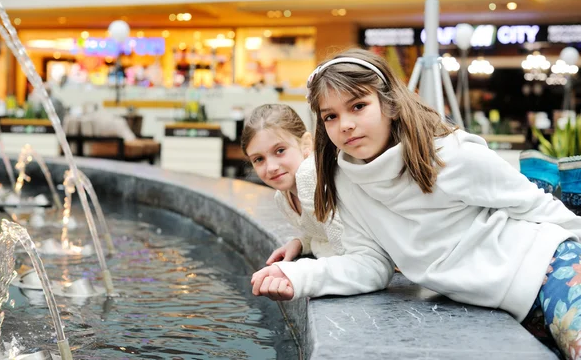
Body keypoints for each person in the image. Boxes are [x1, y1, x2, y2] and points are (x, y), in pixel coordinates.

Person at [250, 48, 581, 358]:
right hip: (504, 303)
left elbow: (535, 206)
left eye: (358, 106)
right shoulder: (344, 181)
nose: (345, 124)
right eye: (331, 116)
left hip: (550, 267)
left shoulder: (447, 155)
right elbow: (370, 266)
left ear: (390, 105)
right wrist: (298, 276)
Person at [240, 104, 344, 264]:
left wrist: (300, 272)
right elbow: (321, 230)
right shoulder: (283, 198)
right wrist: (301, 243)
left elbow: (345, 248)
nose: (271, 167)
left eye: (280, 150)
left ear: (306, 144)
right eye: (259, 159)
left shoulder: (309, 175)